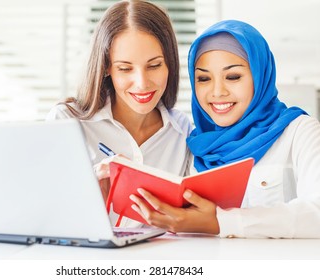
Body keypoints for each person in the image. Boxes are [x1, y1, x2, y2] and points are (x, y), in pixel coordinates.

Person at [130, 19, 320, 238]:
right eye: (203, 78)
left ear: (260, 77)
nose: (217, 92)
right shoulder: (196, 147)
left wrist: (222, 222)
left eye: (233, 77)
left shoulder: (299, 132)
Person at [46, 0, 192, 227]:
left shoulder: (182, 132)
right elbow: (46, 217)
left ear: (169, 64)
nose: (142, 83)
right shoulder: (66, 122)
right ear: (106, 67)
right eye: (125, 68)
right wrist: (88, 188)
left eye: (154, 65)